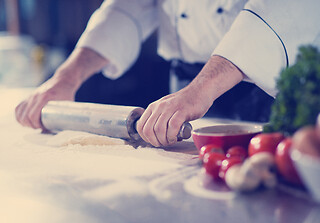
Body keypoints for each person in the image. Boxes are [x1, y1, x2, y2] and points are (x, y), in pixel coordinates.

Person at [15, 0, 320, 147]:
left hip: (267, 91)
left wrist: (203, 88)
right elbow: (127, 7)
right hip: (186, 97)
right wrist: (65, 78)